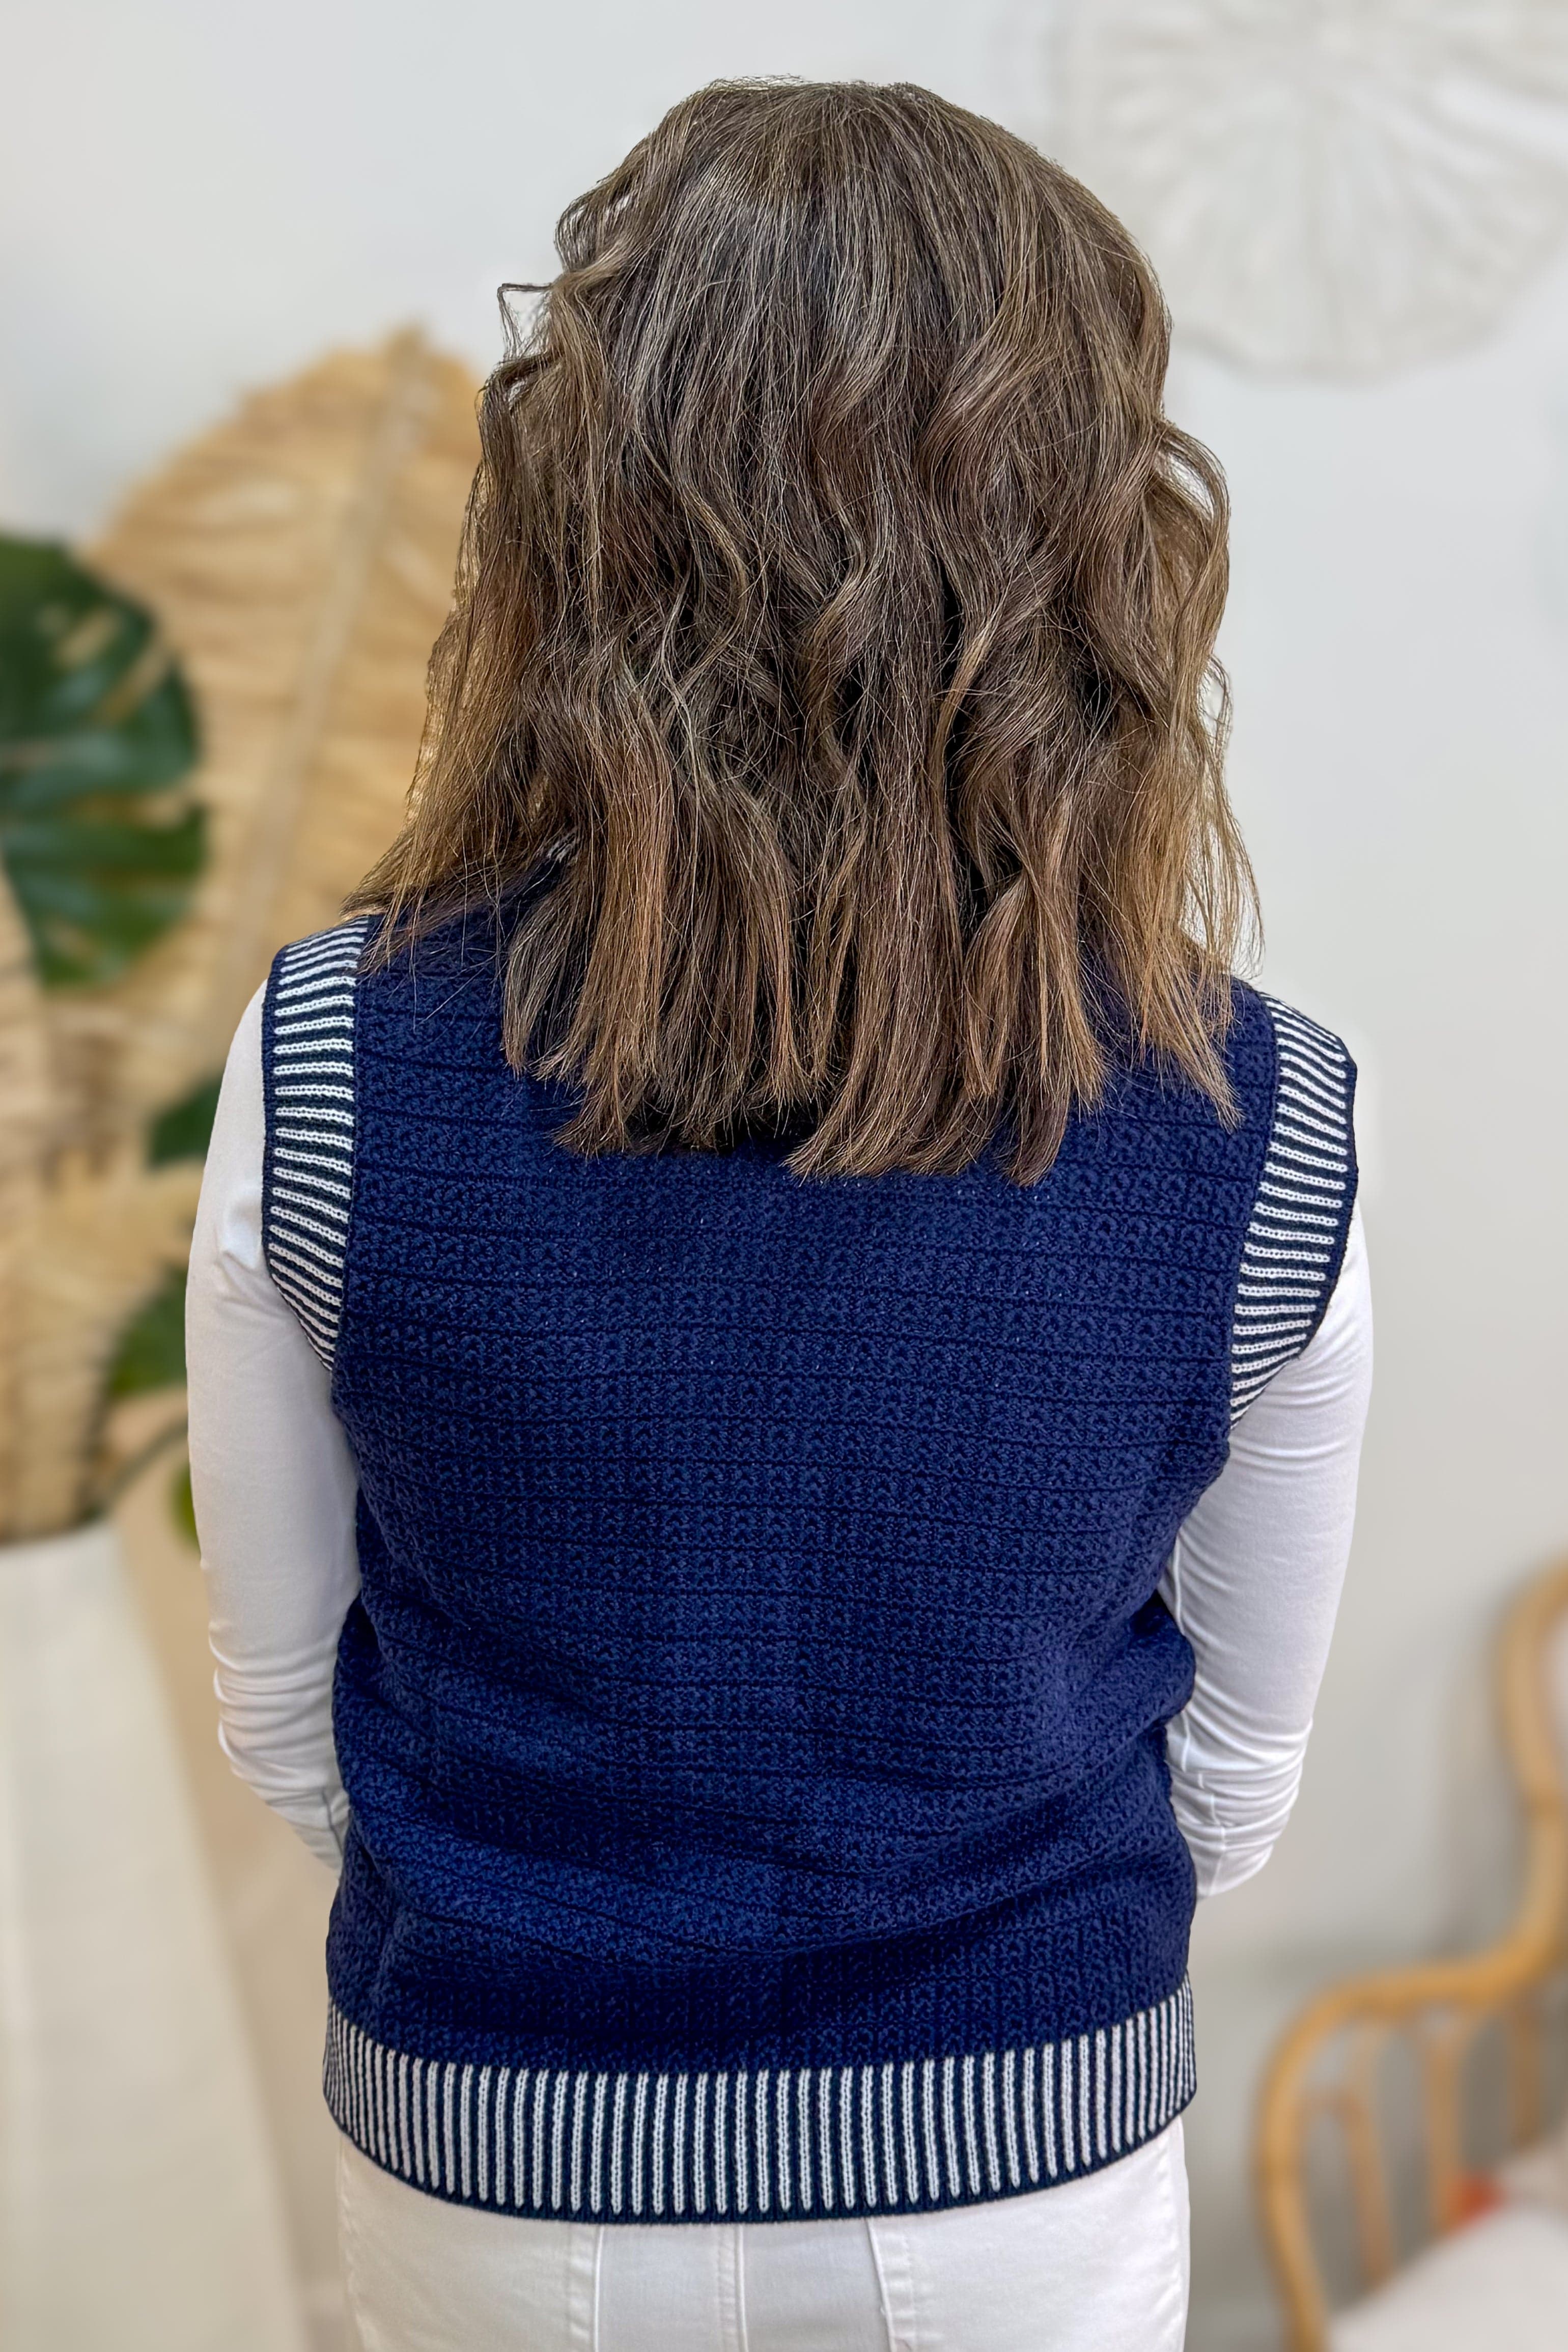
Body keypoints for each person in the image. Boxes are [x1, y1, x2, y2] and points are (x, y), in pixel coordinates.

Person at [188, 78, 1372, 2352]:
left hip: (497, 2161)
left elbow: (283, 1730)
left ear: (578, 515)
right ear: (1091, 536)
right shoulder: (1266, 1108)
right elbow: (1230, 1774)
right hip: (1025, 2157)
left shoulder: (331, 1053)